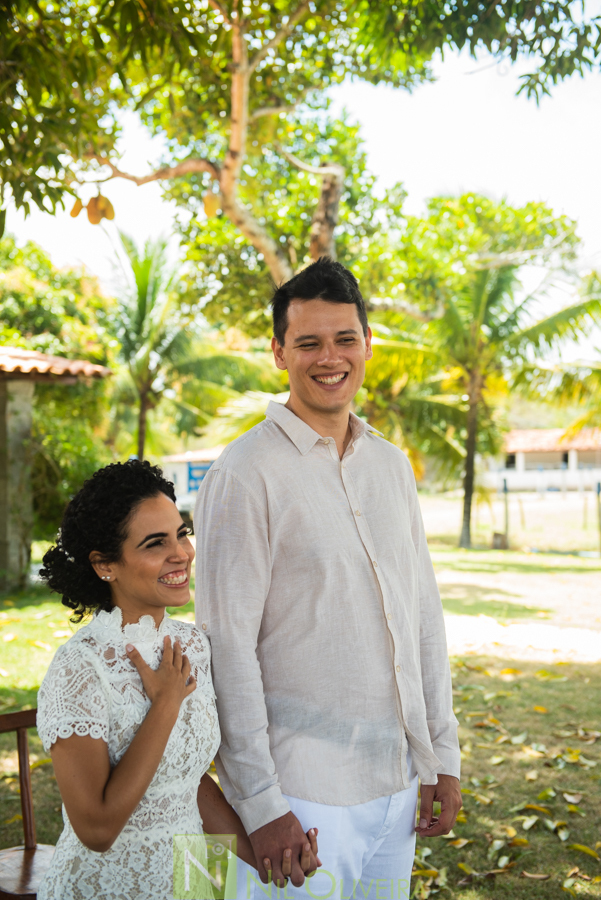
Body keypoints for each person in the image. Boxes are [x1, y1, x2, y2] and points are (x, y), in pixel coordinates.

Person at [194, 258, 462, 900]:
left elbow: (422, 617)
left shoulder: (391, 467)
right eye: (308, 342)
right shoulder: (245, 474)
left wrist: (441, 759)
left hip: (397, 788)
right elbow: (226, 648)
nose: (330, 357)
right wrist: (261, 805)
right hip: (302, 798)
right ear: (279, 352)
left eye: (345, 339)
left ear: (367, 343)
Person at [36, 459, 319, 900]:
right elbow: (96, 828)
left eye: (182, 533)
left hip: (192, 882)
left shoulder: (193, 645)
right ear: (104, 564)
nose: (181, 554)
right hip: (108, 887)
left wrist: (263, 855)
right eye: (155, 543)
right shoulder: (80, 668)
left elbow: (187, 782)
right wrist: (165, 706)